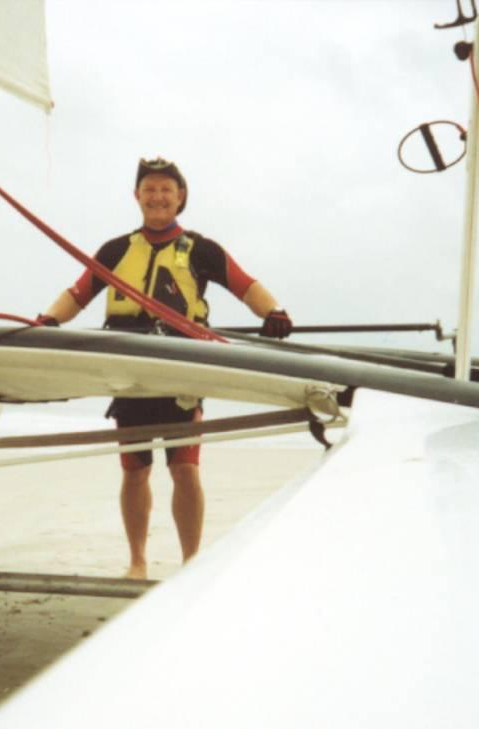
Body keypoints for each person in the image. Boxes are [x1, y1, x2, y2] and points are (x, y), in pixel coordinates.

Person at [39, 157, 293, 579]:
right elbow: (78, 293)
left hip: (182, 369)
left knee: (185, 467)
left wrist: (275, 311)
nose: (157, 196)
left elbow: (245, 285)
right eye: (149, 188)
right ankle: (137, 562)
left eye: (166, 190)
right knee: (135, 470)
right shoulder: (116, 250)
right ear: (136, 196)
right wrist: (48, 321)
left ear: (181, 198)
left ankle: (191, 563)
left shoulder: (201, 249)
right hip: (130, 371)